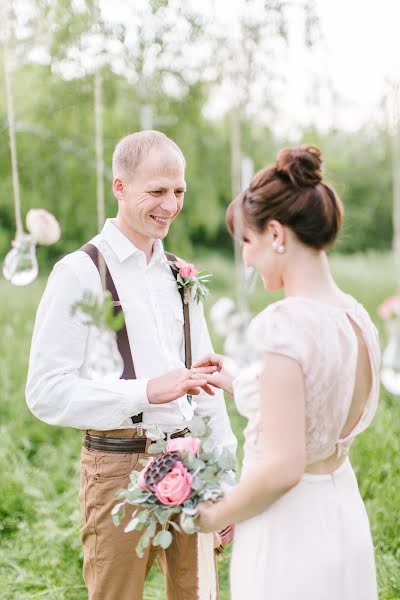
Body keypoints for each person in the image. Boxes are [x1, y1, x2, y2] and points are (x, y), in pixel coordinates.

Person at [26, 130, 236, 600]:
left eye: (178, 191)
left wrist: (225, 481)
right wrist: (143, 391)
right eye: (156, 191)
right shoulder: (79, 273)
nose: (170, 205)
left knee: (198, 594)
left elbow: (206, 381)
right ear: (119, 188)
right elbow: (45, 392)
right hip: (117, 466)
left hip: (192, 462)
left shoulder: (180, 276)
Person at [196, 145, 380, 600]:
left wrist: (211, 516)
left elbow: (282, 469)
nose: (247, 259)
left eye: (247, 242)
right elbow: (317, 405)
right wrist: (243, 381)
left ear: (276, 233)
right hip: (343, 517)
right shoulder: (354, 317)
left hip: (289, 534)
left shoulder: (284, 324)